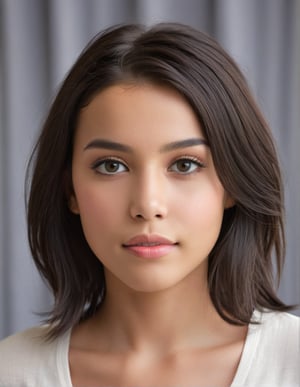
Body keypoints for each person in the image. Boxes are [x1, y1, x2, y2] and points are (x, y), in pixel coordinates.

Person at [0, 22, 299, 387]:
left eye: (185, 164)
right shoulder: (12, 372)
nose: (147, 205)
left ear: (232, 184)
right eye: (112, 166)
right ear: (70, 190)